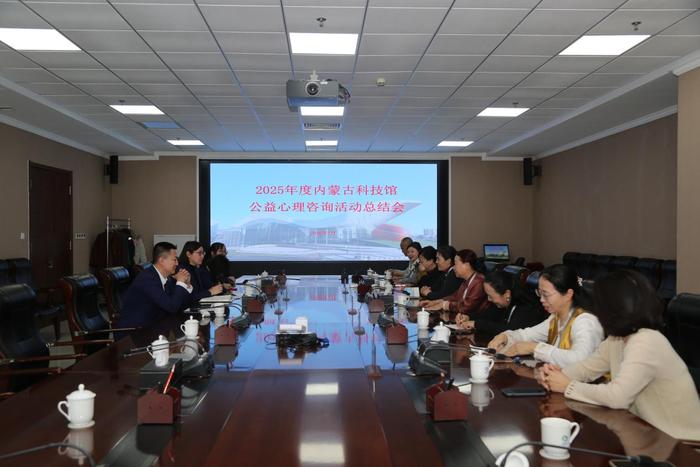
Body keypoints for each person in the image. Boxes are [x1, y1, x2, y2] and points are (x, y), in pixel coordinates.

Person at [539, 270, 700, 441]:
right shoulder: (617, 339)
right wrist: (554, 375)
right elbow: (587, 368)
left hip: (682, 445)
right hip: (649, 435)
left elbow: (618, 397)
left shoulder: (646, 341)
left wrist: (568, 386)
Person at [488, 264, 603, 367]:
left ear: (568, 294)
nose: (541, 300)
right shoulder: (556, 317)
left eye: (546, 294)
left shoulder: (586, 321)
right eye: (540, 293)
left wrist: (535, 348)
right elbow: (527, 335)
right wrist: (505, 337)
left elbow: (581, 360)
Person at [116, 242, 192, 330]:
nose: (177, 263)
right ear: (162, 261)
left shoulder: (166, 278)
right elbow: (172, 307)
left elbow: (179, 305)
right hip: (135, 331)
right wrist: (180, 282)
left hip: (154, 325)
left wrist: (187, 284)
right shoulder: (148, 279)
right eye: (174, 260)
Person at [456, 270, 547, 340]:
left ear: (507, 294)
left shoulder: (526, 308)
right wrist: (468, 317)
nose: (489, 299)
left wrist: (477, 324)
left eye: (491, 296)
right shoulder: (505, 303)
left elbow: (509, 331)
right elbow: (489, 314)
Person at [420, 249, 488, 316]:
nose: (454, 267)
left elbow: (467, 307)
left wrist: (444, 305)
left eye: (455, 264)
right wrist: (435, 302)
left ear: (466, 265)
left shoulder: (479, 282)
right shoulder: (466, 280)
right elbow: (455, 296)